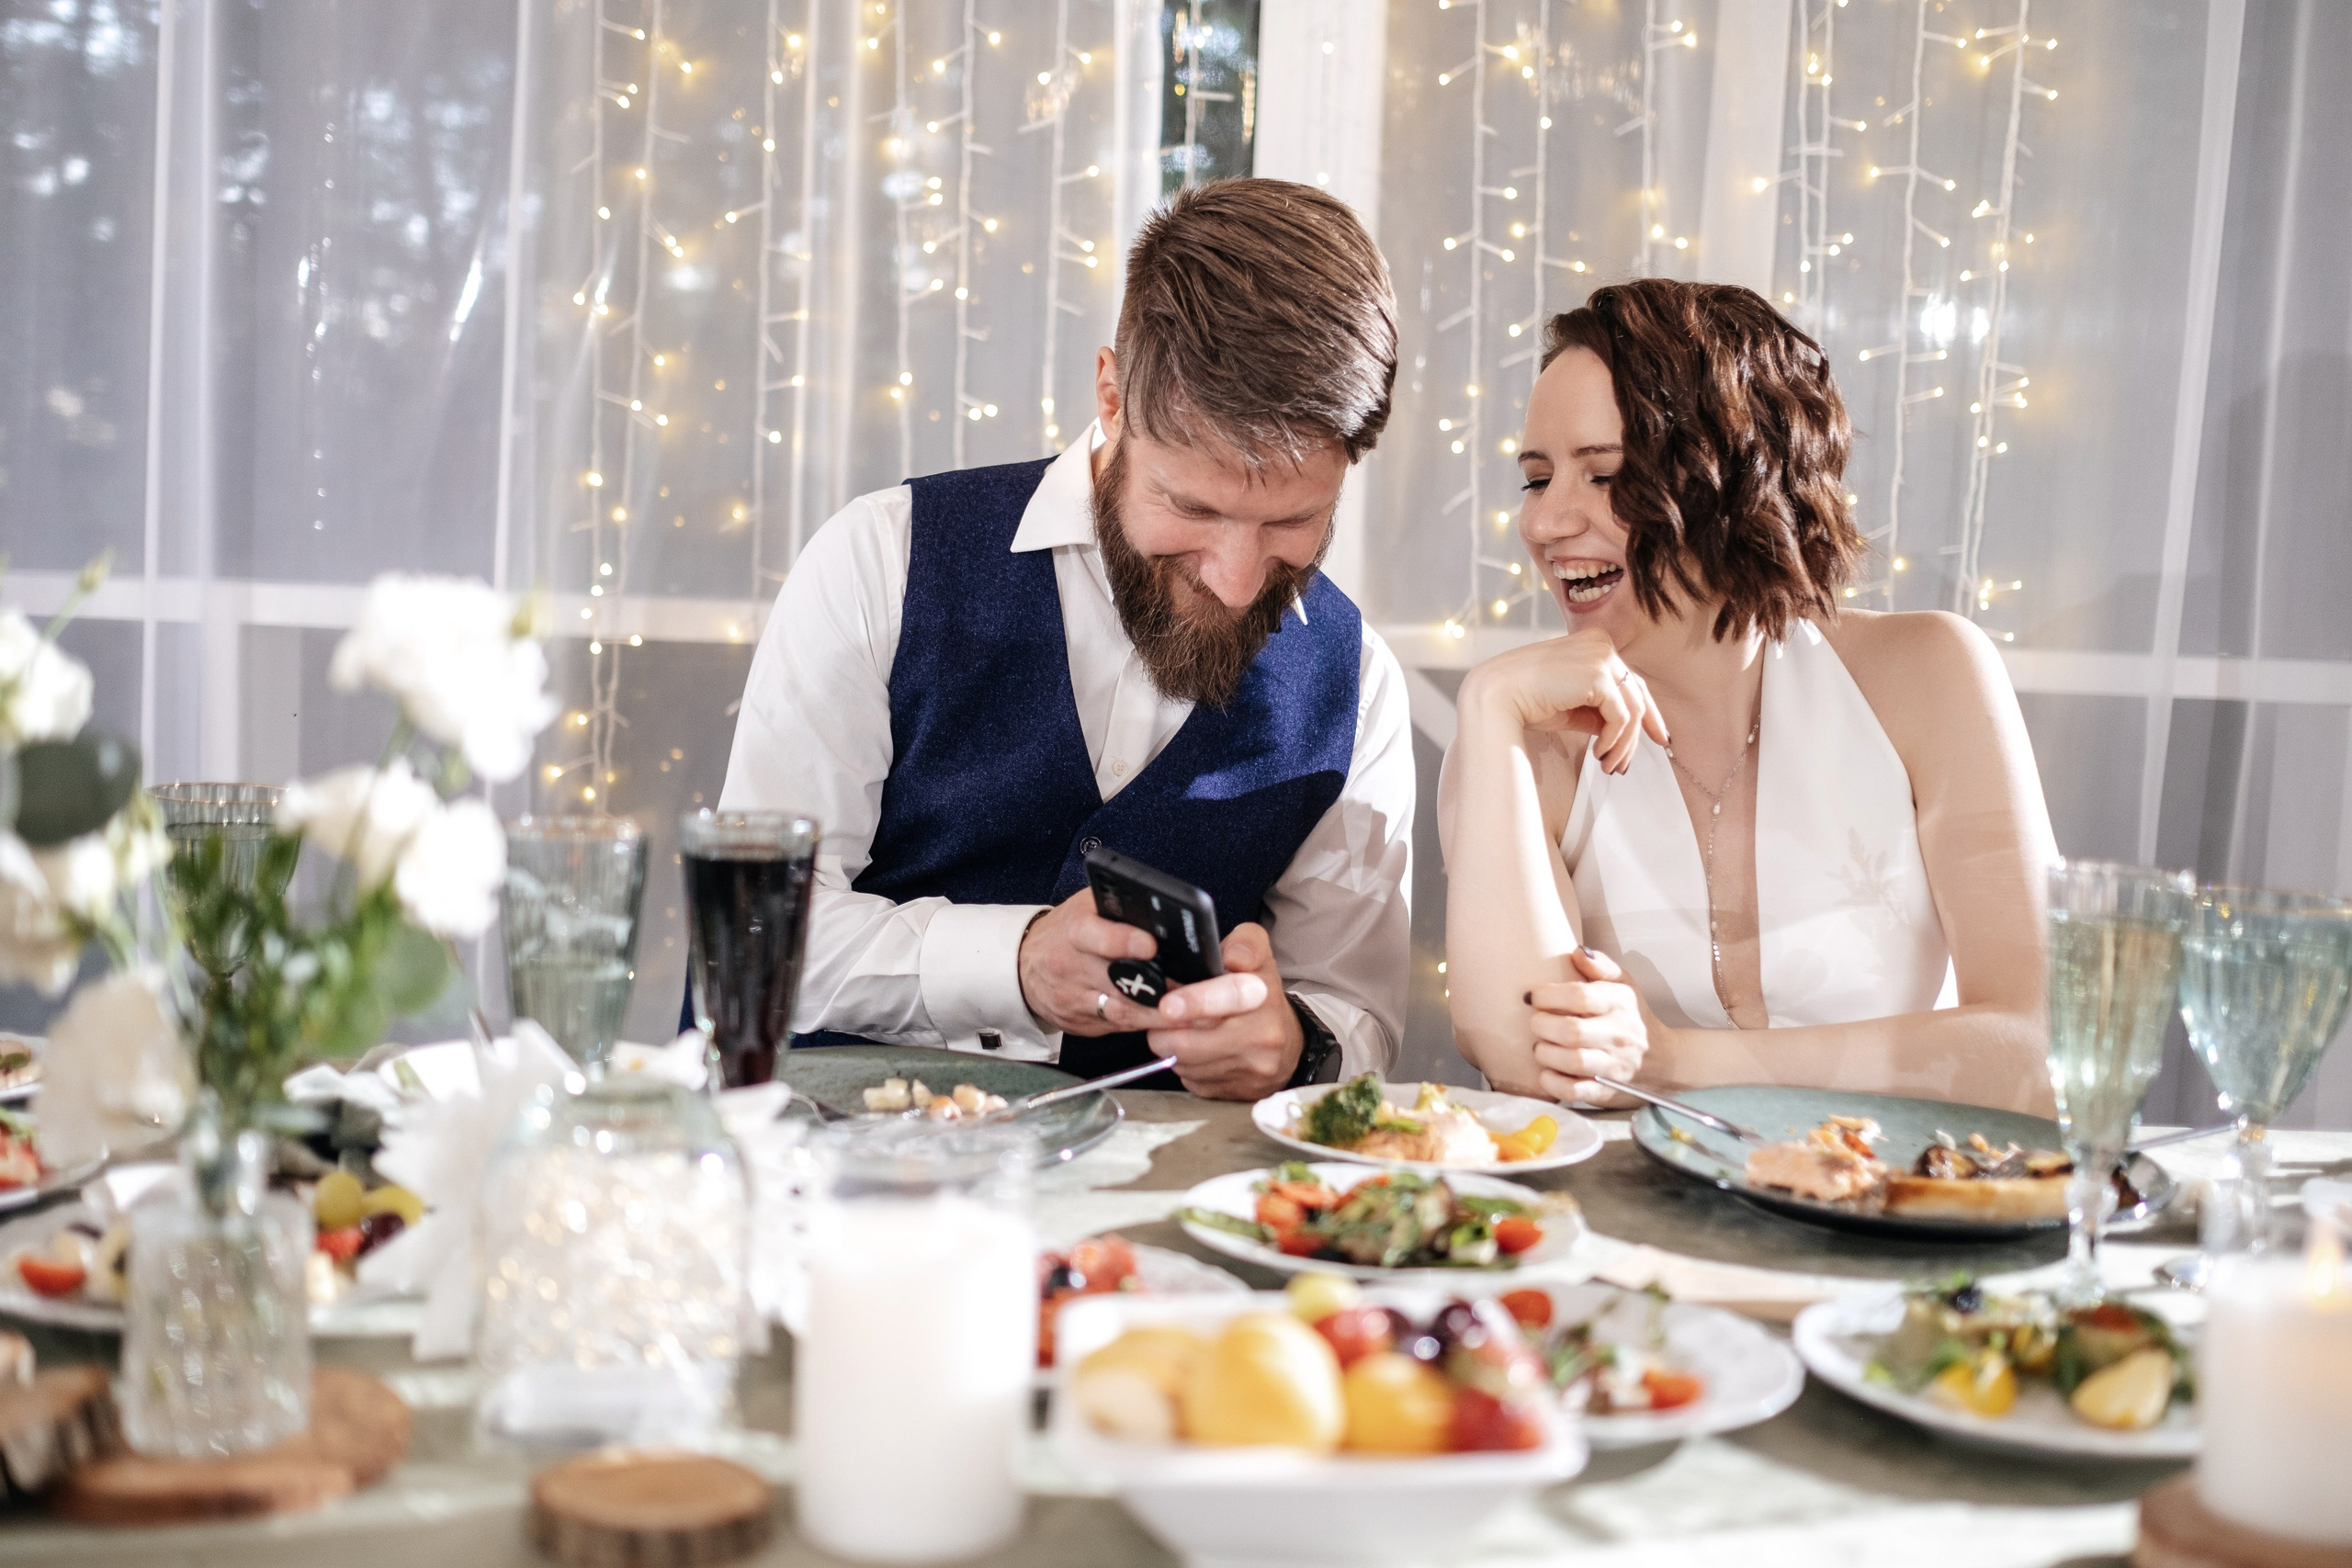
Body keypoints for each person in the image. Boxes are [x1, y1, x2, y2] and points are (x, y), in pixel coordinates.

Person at [713, 179, 1415, 1100]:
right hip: (829, 1179)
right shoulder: (879, 559)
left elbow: (1353, 1013)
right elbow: (749, 933)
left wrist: (1296, 1046)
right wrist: (1014, 962)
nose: (1236, 579)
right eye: (1191, 506)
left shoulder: (1354, 683)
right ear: (1112, 395)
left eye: (1294, 521)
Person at [1442, 279, 2058, 1115]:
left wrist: (1671, 1061)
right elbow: (1523, 1062)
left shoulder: (1929, 676)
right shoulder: (1523, 736)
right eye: (1537, 480)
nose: (1545, 524)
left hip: (1893, 1209)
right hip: (1633, 1229)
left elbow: (2040, 1046)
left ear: (1735, 482)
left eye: (1605, 474)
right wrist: (1486, 703)